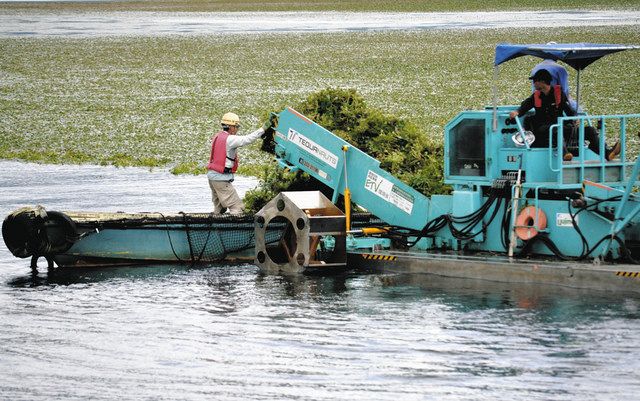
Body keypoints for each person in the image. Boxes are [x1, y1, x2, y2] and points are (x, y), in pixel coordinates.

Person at [509, 69, 617, 161]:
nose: (533, 83)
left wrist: (575, 118)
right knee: (556, 129)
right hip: (542, 130)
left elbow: (568, 109)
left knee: (590, 130)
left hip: (558, 127)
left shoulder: (558, 94)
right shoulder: (536, 96)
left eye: (535, 81)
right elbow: (525, 106)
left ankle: (607, 154)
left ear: (542, 82)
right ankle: (565, 153)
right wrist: (517, 112)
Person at [207, 112, 276, 215]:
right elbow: (247, 139)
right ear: (231, 127)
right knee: (237, 209)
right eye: (236, 126)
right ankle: (234, 229)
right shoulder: (230, 139)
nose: (237, 129)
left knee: (219, 210)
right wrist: (263, 129)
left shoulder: (217, 136)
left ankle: (213, 229)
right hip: (221, 180)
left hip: (212, 178)